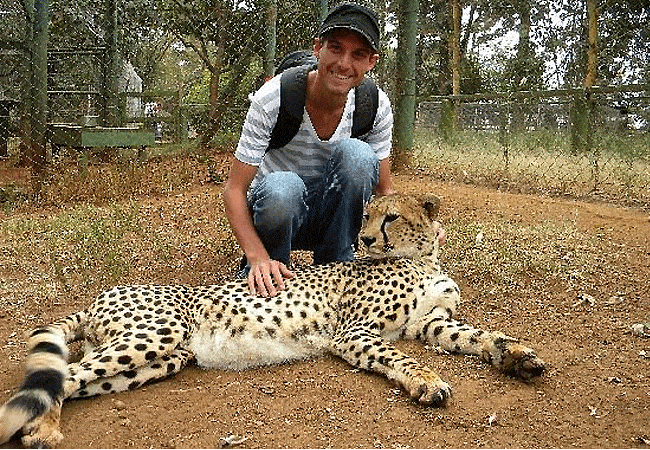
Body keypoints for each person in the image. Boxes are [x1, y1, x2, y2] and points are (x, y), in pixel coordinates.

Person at [224, 2, 443, 297]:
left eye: (358, 55)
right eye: (336, 48)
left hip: (335, 216)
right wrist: (256, 256)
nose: (343, 63)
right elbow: (234, 189)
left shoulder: (375, 105)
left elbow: (385, 191)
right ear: (318, 48)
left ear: (371, 62)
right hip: (277, 212)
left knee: (359, 156)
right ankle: (268, 271)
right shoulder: (273, 97)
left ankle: (337, 267)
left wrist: (423, 222)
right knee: (283, 187)